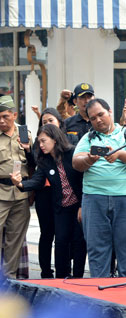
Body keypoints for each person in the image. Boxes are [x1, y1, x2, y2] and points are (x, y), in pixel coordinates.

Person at [72, 98, 126, 278]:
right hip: (94, 198)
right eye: (93, 118)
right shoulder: (89, 137)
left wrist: (119, 154)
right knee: (97, 250)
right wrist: (89, 159)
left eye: (101, 114)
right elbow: (75, 162)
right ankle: (100, 296)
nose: (98, 120)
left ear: (110, 111)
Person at [11, 124, 86, 278]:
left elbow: (84, 180)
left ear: (55, 139)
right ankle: (60, 279)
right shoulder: (45, 161)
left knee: (79, 243)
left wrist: (83, 205)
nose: (41, 145)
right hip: (61, 208)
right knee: (60, 242)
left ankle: (78, 278)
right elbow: (38, 181)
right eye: (39, 142)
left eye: (44, 141)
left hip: (78, 206)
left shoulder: (72, 153)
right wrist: (20, 184)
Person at [0, 95, 34, 278]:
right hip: (0, 192)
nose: (1, 120)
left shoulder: (25, 133)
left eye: (5, 116)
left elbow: (33, 164)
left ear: (14, 115)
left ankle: (9, 280)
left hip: (20, 193)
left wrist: (31, 191)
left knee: (15, 239)